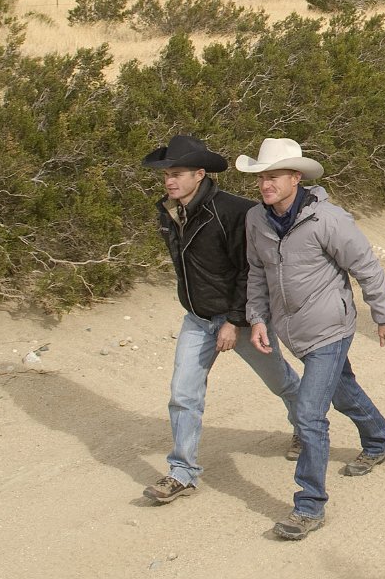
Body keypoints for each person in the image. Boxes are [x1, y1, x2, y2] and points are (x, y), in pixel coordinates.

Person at [239, 138, 385, 541]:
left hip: (331, 326)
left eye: (273, 176)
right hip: (291, 331)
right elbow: (256, 273)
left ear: (296, 177)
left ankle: (308, 506)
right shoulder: (255, 221)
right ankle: (380, 439)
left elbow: (366, 266)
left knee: (310, 413)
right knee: (341, 391)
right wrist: (257, 318)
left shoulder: (327, 219)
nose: (265, 184)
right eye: (261, 177)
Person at [140, 135, 301, 506]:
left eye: (177, 173)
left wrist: (234, 321)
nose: (169, 180)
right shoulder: (168, 210)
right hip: (197, 318)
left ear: (200, 174)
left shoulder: (234, 211)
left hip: (239, 318)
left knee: (280, 381)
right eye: (166, 174)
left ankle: (305, 429)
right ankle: (182, 473)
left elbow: (249, 270)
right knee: (183, 393)